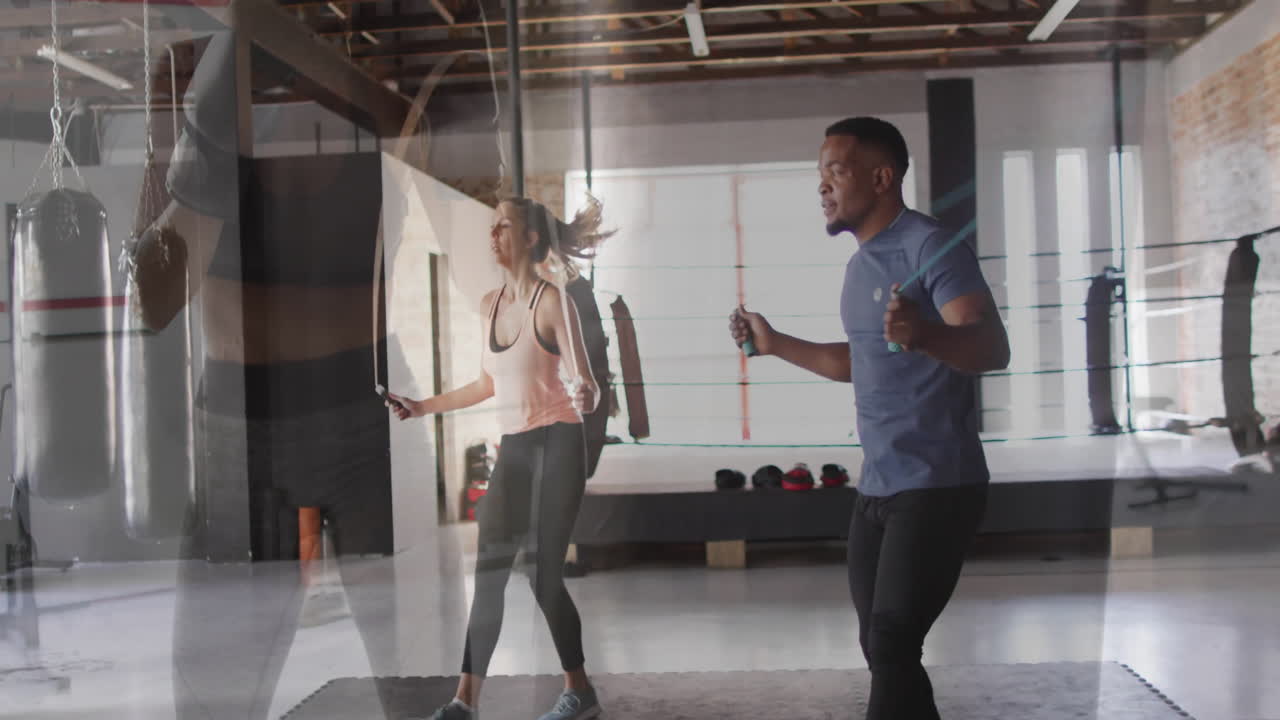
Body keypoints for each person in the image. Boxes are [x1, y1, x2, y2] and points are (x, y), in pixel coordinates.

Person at [124, 31, 400, 719]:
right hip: (249, 423)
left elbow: (153, 302)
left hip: (355, 407)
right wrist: (169, 130)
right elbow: (153, 302)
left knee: (421, 678)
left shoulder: (368, 79)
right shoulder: (216, 80)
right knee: (215, 692)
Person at [729, 117, 1009, 720]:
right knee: (884, 649)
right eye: (820, 174)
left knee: (891, 640)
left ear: (882, 178)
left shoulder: (930, 246)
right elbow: (857, 362)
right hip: (878, 488)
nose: (823, 186)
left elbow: (990, 347)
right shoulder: (861, 268)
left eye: (836, 170)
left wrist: (925, 333)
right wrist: (774, 342)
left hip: (938, 484)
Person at [386, 196, 611, 720]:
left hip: (558, 442)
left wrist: (585, 395)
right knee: (489, 571)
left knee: (542, 574)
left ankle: (580, 690)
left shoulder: (554, 302)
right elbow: (488, 382)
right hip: (514, 447)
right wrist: (423, 406)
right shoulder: (490, 304)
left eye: (504, 227)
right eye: (493, 227)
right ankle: (465, 701)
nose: (494, 236)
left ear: (531, 239)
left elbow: (588, 383)